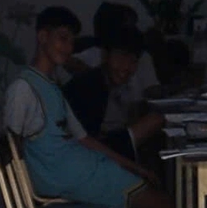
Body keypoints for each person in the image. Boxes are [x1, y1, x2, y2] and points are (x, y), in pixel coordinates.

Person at [5, 6, 177, 208]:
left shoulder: (51, 86)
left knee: (159, 198)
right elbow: (12, 146)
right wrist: (24, 199)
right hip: (64, 176)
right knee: (160, 203)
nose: (67, 48)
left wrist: (135, 167)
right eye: (62, 39)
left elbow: (84, 138)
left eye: (70, 42)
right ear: (42, 37)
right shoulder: (24, 88)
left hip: (79, 168)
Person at [61, 27, 164, 159]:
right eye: (121, 57)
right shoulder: (89, 86)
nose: (126, 67)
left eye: (133, 61)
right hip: (81, 155)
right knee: (154, 121)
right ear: (105, 56)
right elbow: (86, 144)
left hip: (94, 149)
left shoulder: (113, 86)